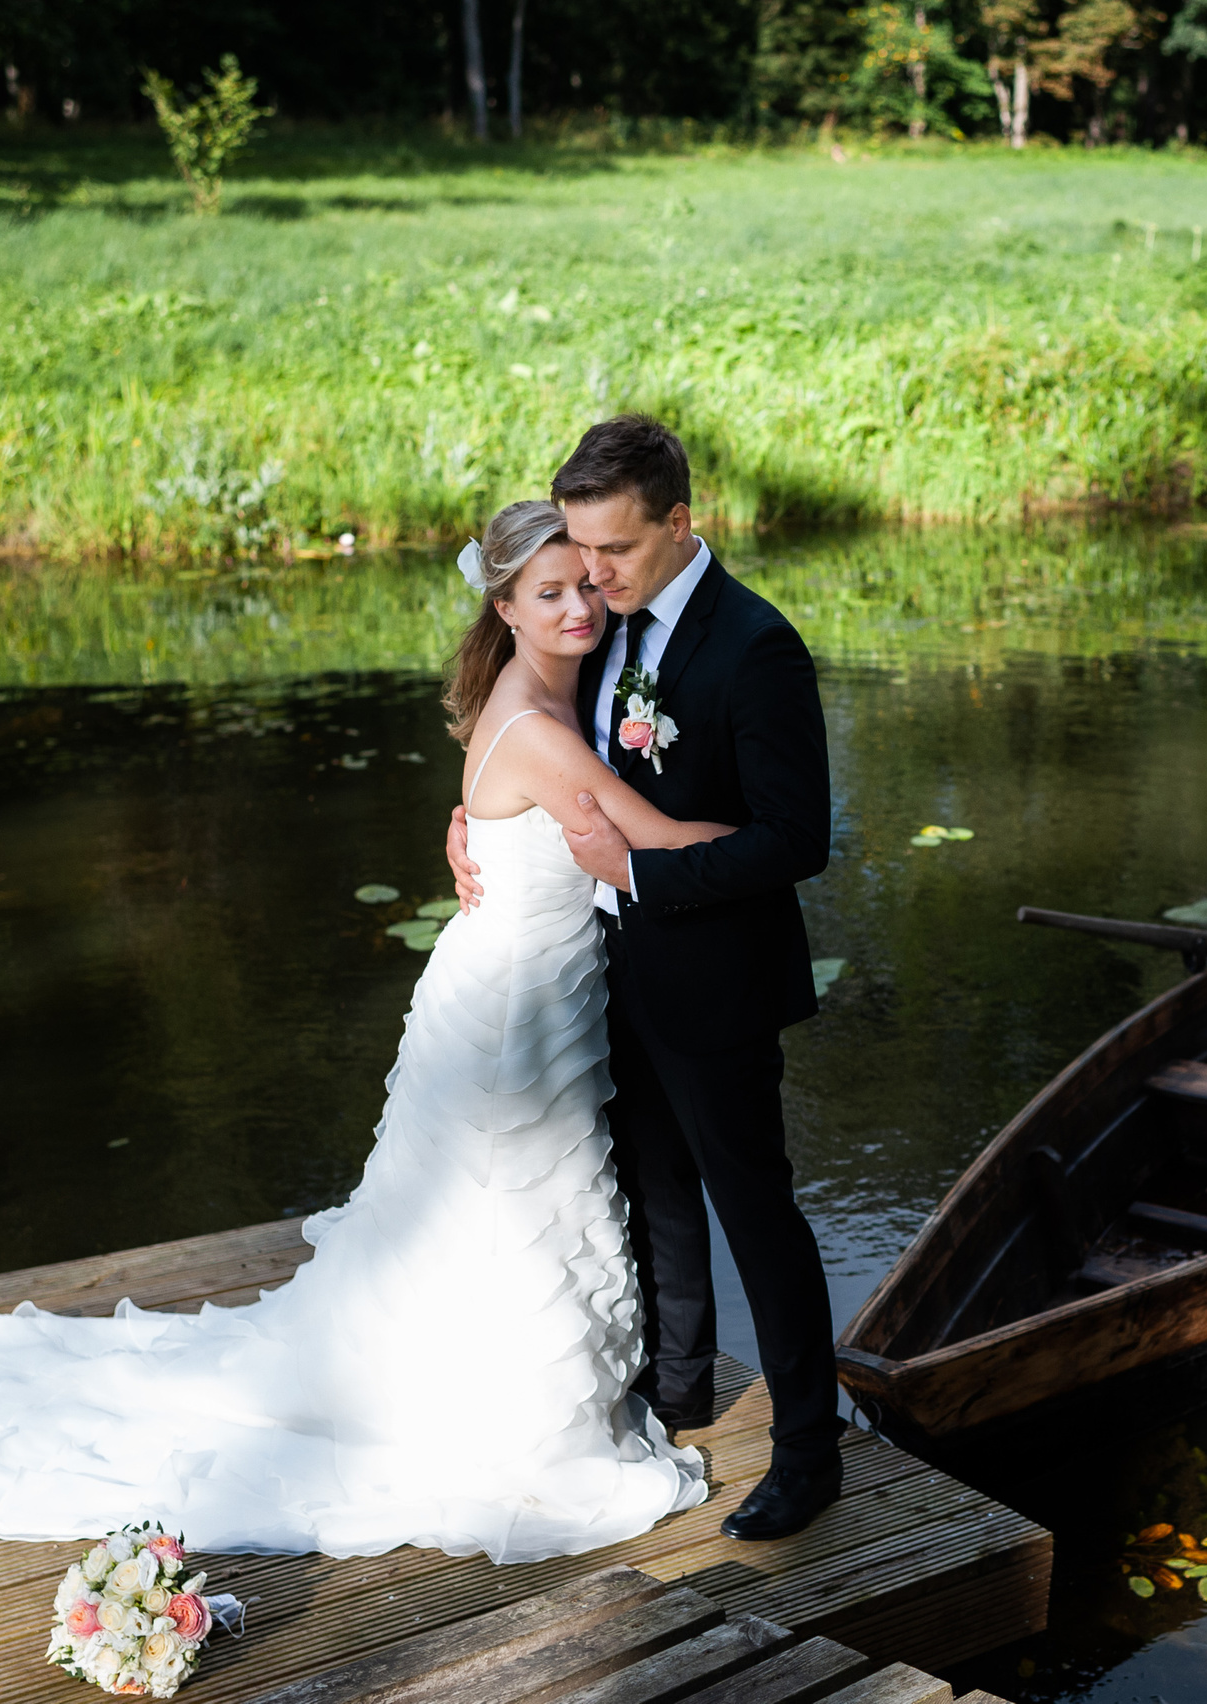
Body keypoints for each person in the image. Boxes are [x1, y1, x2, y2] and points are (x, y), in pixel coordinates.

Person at [0, 499, 729, 1563]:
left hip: (534, 987)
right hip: (513, 1010)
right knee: (506, 1200)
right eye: (550, 592)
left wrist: (478, 816)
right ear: (503, 604)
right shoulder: (533, 724)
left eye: (586, 581)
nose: (580, 604)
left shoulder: (545, 692)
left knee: (486, 1212)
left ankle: (486, 1382)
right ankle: (505, 1416)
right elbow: (671, 841)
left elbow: (538, 800)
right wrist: (784, 831)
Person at [446, 416, 843, 1542]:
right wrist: (475, 816)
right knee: (653, 1196)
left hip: (713, 977)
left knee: (754, 1210)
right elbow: (541, 741)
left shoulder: (753, 647)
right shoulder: (605, 626)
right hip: (604, 972)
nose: (593, 577)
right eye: (578, 554)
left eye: (614, 552)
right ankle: (676, 1391)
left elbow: (794, 839)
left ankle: (810, 1454)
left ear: (681, 523)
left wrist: (641, 874)